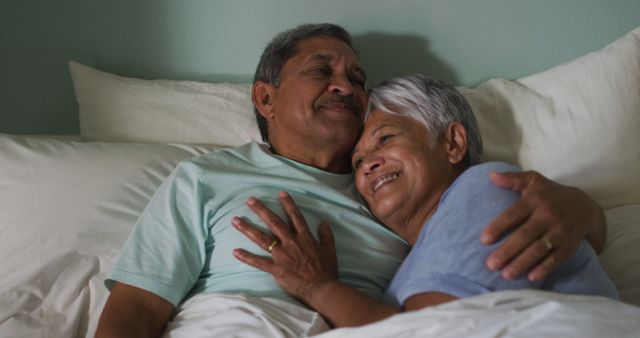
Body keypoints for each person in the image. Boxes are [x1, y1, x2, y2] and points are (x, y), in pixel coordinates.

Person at [96, 24, 608, 337]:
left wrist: (584, 207)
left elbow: (435, 322)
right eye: (322, 71)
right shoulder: (204, 178)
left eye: (357, 81)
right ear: (265, 99)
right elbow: (136, 310)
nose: (346, 85)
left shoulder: (407, 199)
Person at [232, 74, 618, 327]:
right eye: (359, 160)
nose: (368, 165)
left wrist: (317, 286)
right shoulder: (411, 263)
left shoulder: (487, 186)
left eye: (385, 139)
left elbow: (425, 332)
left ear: (453, 143)